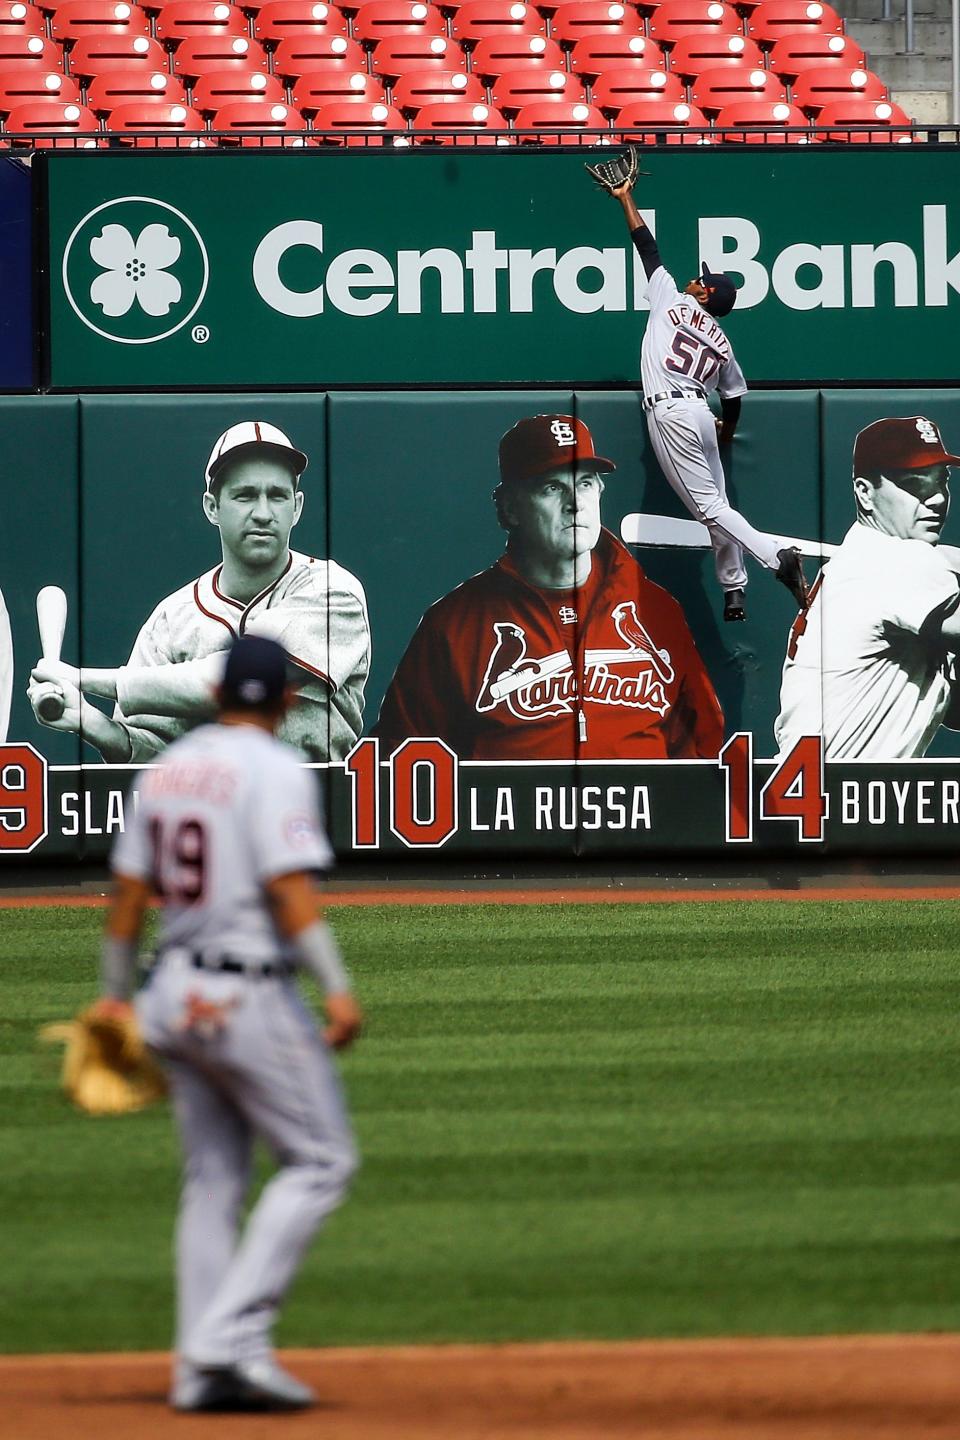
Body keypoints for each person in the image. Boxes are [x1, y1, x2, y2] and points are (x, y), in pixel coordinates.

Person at [97, 633, 362, 1412]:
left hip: (169, 994)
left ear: (214, 696)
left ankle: (197, 1372)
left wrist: (115, 1001)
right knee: (321, 1162)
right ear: (284, 700)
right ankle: (225, 1341)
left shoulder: (167, 769)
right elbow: (287, 890)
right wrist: (338, 990)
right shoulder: (277, 769)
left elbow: (124, 902)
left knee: (212, 1180)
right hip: (244, 996)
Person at [374, 413, 723, 759]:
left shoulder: (654, 608)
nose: (575, 504)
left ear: (599, 492)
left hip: (639, 815)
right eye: (552, 487)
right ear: (509, 508)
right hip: (508, 815)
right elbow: (403, 762)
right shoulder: (454, 624)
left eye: (585, 483)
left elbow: (705, 748)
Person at [27, 421, 370, 764]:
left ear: (296, 508)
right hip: (205, 813)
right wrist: (90, 722)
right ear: (212, 507)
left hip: (317, 808)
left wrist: (82, 678)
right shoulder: (172, 619)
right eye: (245, 495)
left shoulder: (333, 591)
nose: (263, 513)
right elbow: (153, 759)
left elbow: (244, 677)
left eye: (277, 496)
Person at [602, 162, 809, 623]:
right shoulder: (721, 341)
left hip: (672, 413)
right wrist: (728, 431)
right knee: (720, 505)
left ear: (702, 291)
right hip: (700, 411)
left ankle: (776, 556)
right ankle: (734, 587)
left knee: (709, 508)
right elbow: (734, 396)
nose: (696, 278)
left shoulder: (672, 299)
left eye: (702, 279)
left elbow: (647, 249)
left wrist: (625, 199)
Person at [775, 415, 960, 760]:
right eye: (916, 484)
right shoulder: (894, 561)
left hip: (813, 797)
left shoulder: (869, 560)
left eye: (941, 482)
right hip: (839, 800)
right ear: (865, 492)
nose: (936, 499)